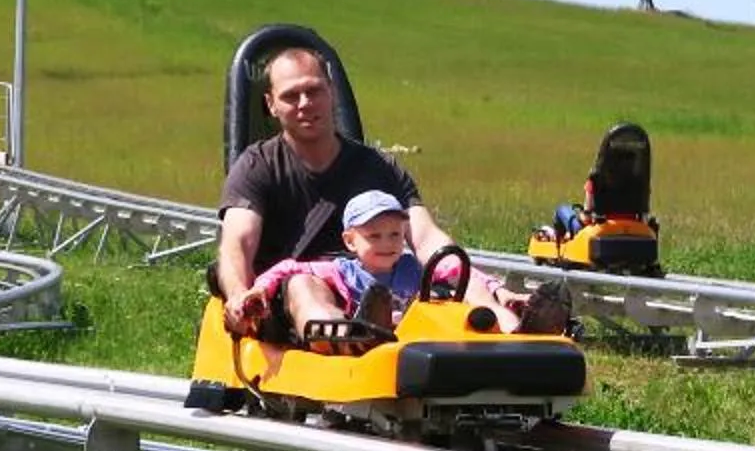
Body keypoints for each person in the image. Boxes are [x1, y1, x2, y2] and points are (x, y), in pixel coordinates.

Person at [213, 42, 570, 339]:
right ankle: (347, 340)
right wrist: (240, 296)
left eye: (314, 90)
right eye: (292, 96)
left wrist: (494, 290)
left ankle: (512, 330)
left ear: (331, 92)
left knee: (456, 281)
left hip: (391, 289)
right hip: (302, 293)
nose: (305, 103)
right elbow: (237, 243)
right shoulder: (257, 165)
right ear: (271, 104)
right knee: (304, 287)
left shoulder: (379, 168)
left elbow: (428, 238)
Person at [246, 188, 422, 350]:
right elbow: (288, 268)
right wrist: (261, 288)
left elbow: (444, 270)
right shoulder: (343, 272)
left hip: (409, 340)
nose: (387, 244)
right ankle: (364, 332)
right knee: (366, 311)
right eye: (374, 236)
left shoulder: (413, 267)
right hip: (359, 353)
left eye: (395, 235)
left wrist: (448, 274)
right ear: (350, 241)